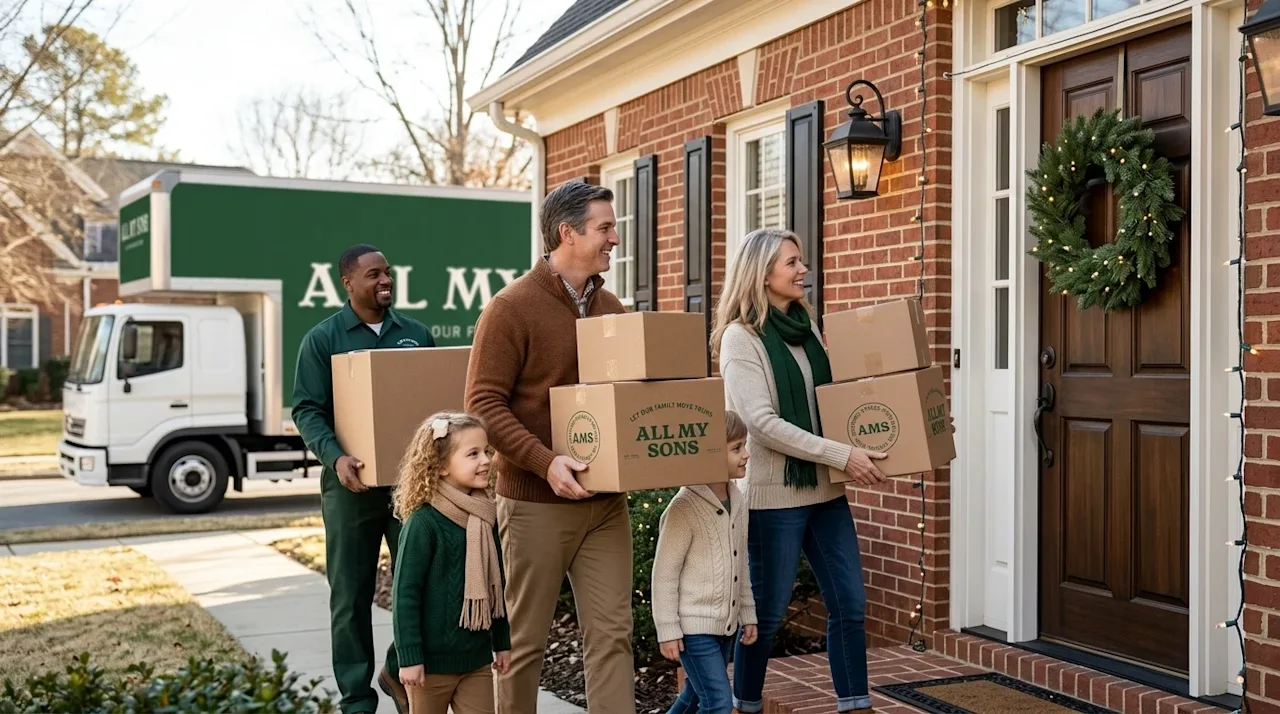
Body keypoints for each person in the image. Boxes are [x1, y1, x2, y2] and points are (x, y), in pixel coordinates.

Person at [464, 180, 634, 714]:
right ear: (568, 233)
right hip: (536, 503)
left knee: (612, 637)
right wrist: (545, 461)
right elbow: (483, 405)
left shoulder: (613, 308)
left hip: (606, 504)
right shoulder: (511, 307)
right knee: (521, 645)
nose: (614, 238)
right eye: (605, 227)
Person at [712, 228, 885, 714]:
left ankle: (856, 704)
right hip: (773, 498)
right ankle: (744, 706)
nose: (803, 269)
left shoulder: (806, 328)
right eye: (792, 262)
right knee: (764, 618)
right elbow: (761, 425)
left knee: (850, 605)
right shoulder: (739, 340)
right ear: (763, 273)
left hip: (825, 493)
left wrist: (903, 426)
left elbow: (834, 403)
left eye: (801, 260)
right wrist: (840, 455)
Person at [292, 243, 434, 714]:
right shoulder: (323, 340)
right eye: (374, 274)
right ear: (348, 283)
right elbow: (308, 410)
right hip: (349, 488)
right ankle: (356, 700)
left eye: (388, 273)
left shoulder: (416, 335)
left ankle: (397, 668)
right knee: (349, 596)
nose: (384, 281)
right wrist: (335, 458)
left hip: (409, 488)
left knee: (425, 583)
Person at [392, 411, 511, 714]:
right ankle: (391, 675)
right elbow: (405, 594)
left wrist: (501, 642)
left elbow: (494, 588)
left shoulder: (484, 517)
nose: (485, 460)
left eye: (486, 451)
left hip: (476, 661)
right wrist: (409, 658)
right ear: (441, 466)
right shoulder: (424, 523)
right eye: (473, 454)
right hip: (430, 666)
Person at [651, 410, 759, 714]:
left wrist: (747, 613)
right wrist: (668, 629)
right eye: (737, 448)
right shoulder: (683, 508)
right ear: (711, 452)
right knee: (719, 703)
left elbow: (741, 564)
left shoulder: (738, 501)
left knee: (694, 698)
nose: (747, 455)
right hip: (693, 629)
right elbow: (664, 575)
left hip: (724, 626)